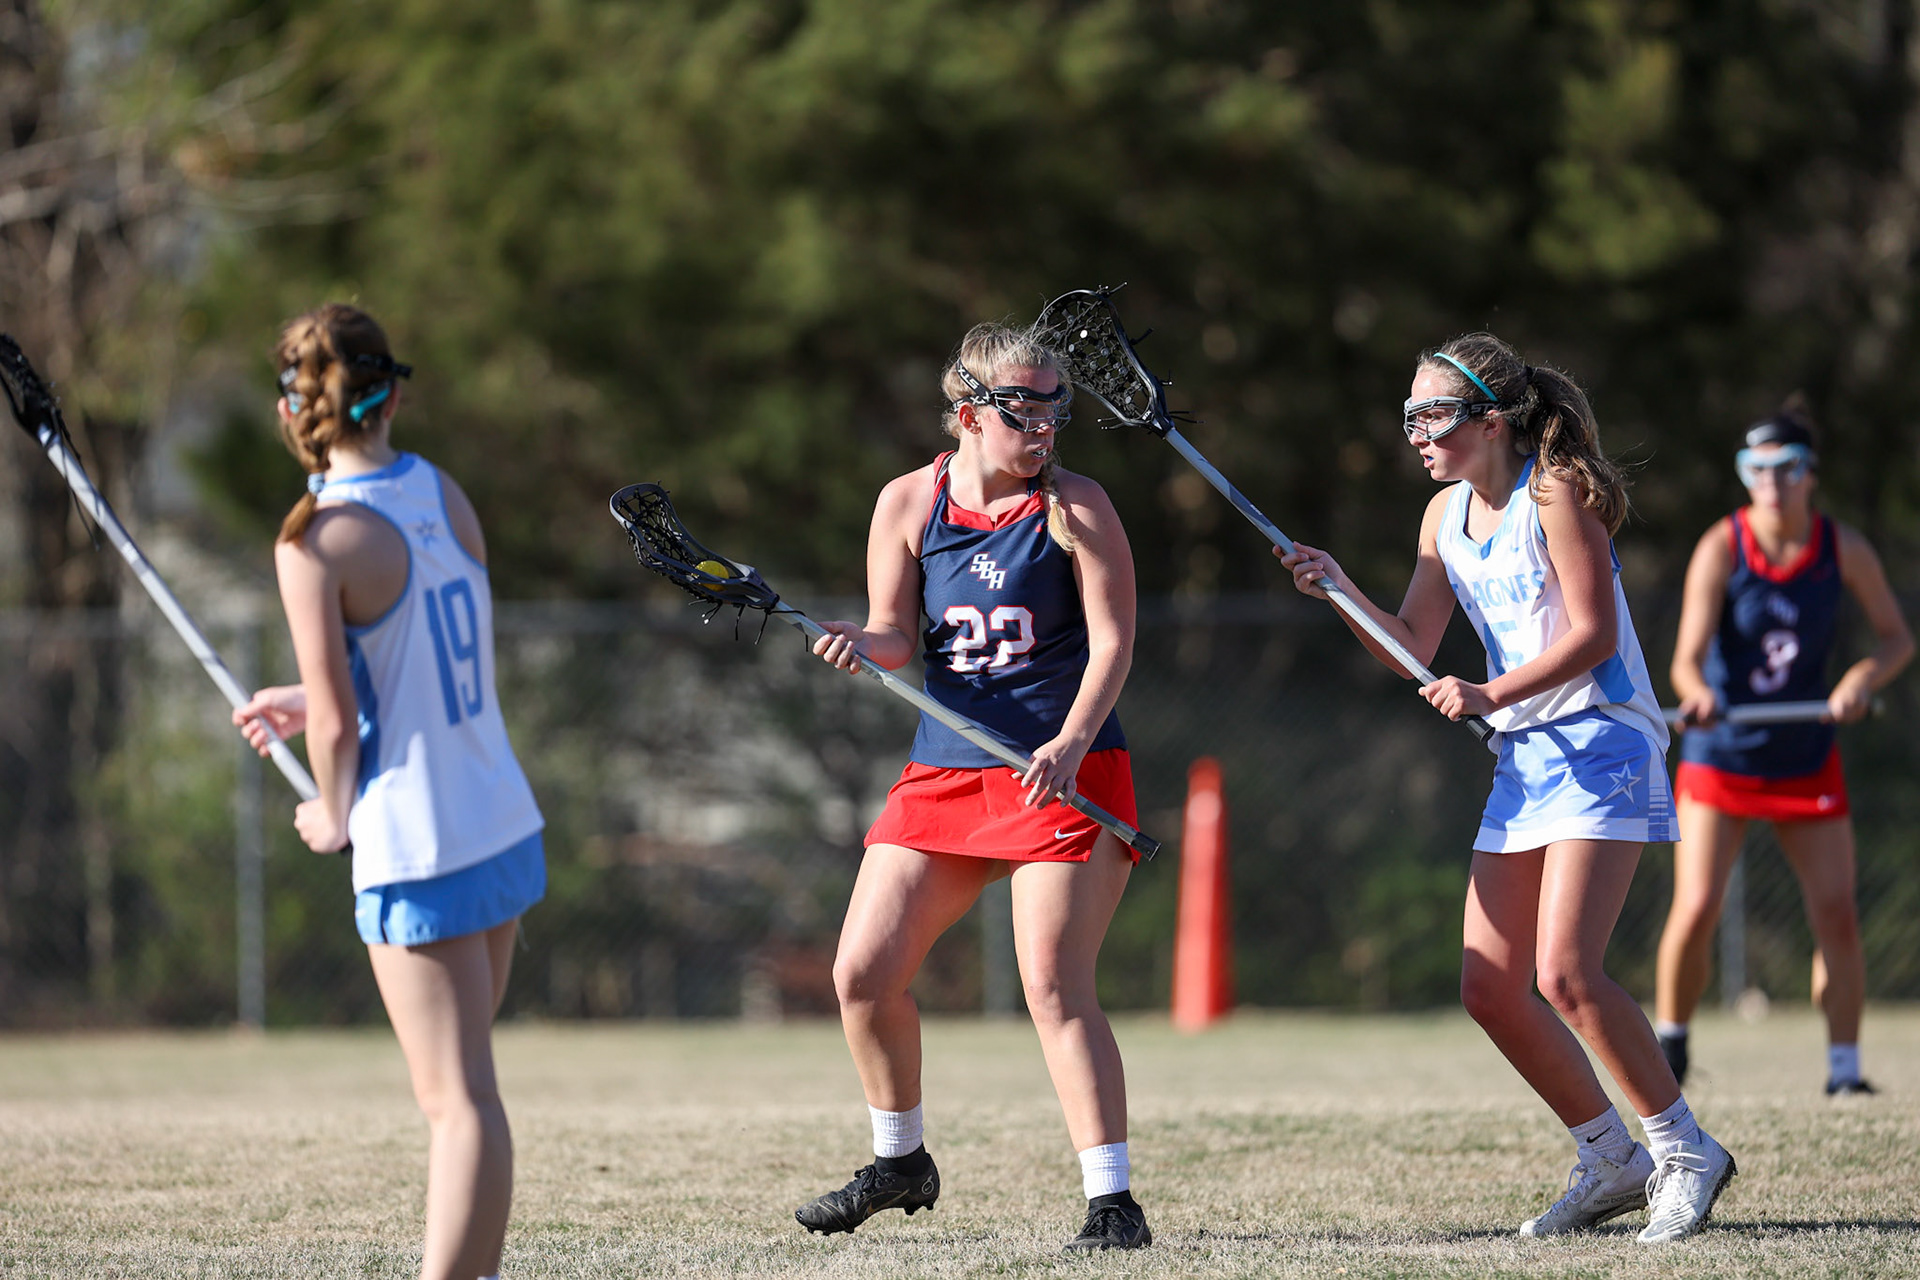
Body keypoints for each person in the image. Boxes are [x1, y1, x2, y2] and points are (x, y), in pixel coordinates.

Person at [1279, 334, 1734, 1244]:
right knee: (1490, 986)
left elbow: (1596, 636)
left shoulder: (1557, 494)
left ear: (1491, 418)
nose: (1414, 431)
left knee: (1566, 970)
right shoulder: (1443, 517)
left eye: (1431, 414)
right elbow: (1412, 637)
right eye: (1407, 414)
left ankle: (1685, 1150)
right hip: (1526, 756)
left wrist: (1490, 691)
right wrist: (1339, 591)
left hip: (1604, 740)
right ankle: (1611, 1157)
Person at [798, 322, 1148, 1251]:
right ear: (968, 412)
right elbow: (893, 637)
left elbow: (1113, 642)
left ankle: (1112, 1204)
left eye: (1054, 405)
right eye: (1022, 405)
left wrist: (1071, 740)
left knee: (1052, 985)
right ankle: (900, 1160)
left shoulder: (1076, 505)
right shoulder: (910, 502)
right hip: (948, 771)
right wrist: (852, 644)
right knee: (862, 976)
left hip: (1064, 774)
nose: (1044, 425)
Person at [232, 304, 545, 1280]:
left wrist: (332, 810)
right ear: (391, 391)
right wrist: (304, 700)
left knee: (458, 1104)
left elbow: (338, 726)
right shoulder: (440, 490)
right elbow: (420, 666)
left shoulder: (313, 540)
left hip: (420, 841)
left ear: (296, 411)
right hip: (497, 816)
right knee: (473, 1097)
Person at [1656, 400, 1912, 1095]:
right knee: (1699, 903)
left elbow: (1897, 639)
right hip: (1724, 753)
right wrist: (1697, 693)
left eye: (1786, 467)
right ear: (1745, 476)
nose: (1771, 481)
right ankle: (1671, 1049)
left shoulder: (1843, 548)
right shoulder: (1722, 546)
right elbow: (1685, 661)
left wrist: (1861, 679)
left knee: (1835, 910)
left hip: (1805, 752)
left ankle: (1844, 1071)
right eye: (1756, 467)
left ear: (1810, 476)